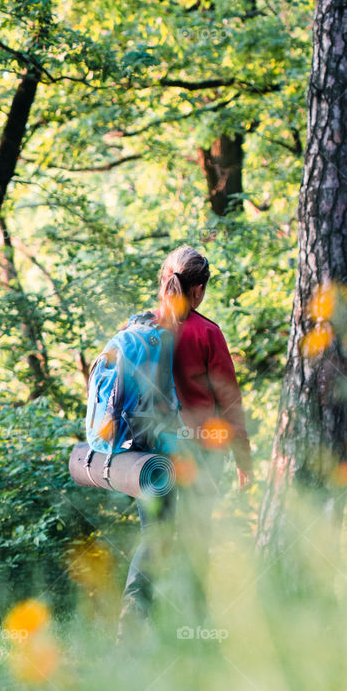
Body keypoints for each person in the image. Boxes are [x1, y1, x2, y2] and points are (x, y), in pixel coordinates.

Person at [118, 245, 253, 634]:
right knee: (196, 539)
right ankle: (196, 628)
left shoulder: (140, 329)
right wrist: (244, 461)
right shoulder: (207, 333)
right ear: (198, 291)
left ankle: (133, 623)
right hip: (200, 452)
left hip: (149, 455)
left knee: (155, 537)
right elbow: (229, 402)